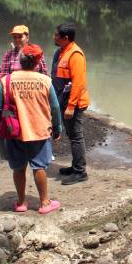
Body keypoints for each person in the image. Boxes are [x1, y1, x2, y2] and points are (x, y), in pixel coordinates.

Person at [0, 44, 62, 214]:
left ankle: (21, 203)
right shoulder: (45, 81)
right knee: (39, 167)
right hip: (39, 130)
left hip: (14, 131)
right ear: (39, 61)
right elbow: (55, 107)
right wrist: (57, 127)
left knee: (18, 167)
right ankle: (44, 203)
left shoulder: (7, 80)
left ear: (20, 60)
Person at [51, 23, 90, 185]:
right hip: (64, 101)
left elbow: (78, 83)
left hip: (74, 103)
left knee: (76, 137)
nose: (54, 37)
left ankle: (80, 172)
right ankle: (75, 167)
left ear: (65, 38)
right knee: (72, 136)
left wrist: (71, 106)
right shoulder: (61, 52)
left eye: (56, 35)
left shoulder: (75, 55)